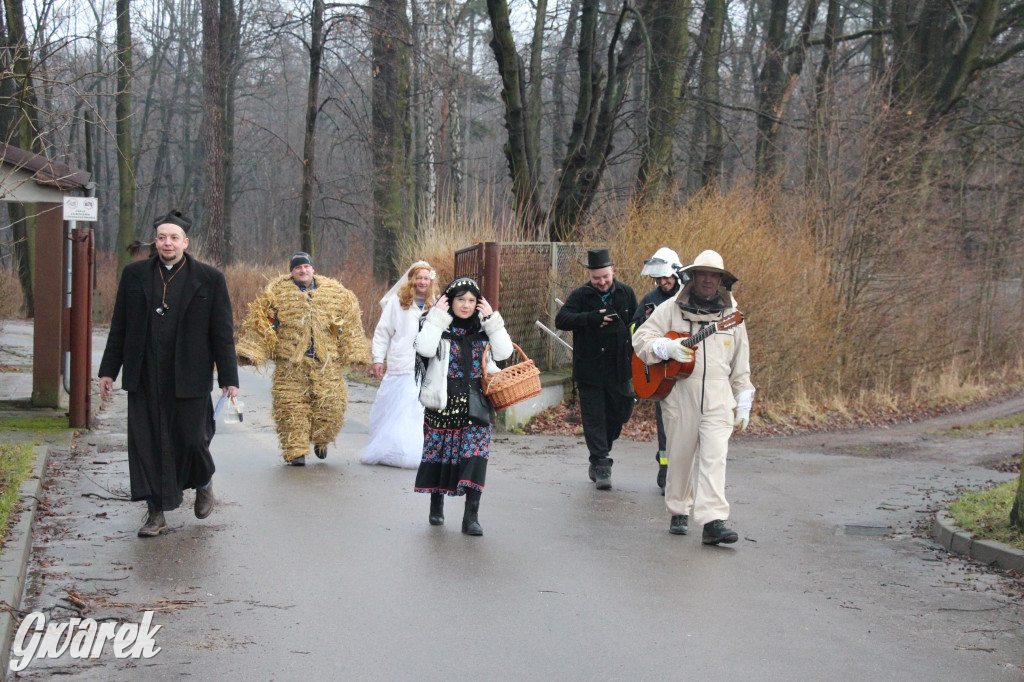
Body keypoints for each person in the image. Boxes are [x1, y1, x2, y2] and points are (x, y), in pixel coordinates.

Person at [98, 209, 239, 538]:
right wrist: (108, 371)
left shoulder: (209, 278)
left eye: (174, 238)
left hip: (190, 375)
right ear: (155, 241)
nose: (167, 243)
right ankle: (155, 513)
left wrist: (229, 379)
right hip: (145, 375)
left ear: (185, 242)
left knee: (193, 439)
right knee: (147, 445)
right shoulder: (134, 275)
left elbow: (222, 332)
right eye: (162, 237)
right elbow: (120, 326)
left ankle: (203, 481)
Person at [631, 249, 754, 545]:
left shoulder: (732, 317)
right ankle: (678, 510)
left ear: (721, 280)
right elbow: (640, 339)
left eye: (714, 276)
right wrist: (666, 348)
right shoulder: (671, 308)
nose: (708, 280)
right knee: (680, 457)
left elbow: (741, 365)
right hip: (679, 394)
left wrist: (744, 402)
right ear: (693, 277)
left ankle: (713, 521)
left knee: (714, 458)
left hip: (718, 397)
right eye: (703, 275)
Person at [236, 252, 371, 465]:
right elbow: (263, 325)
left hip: (326, 365)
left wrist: (355, 352)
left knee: (331, 408)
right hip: (290, 365)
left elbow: (350, 324)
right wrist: (253, 352)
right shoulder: (277, 293)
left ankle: (322, 439)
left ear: (313, 269)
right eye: (298, 267)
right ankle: (296, 451)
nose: (302, 270)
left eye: (306, 266)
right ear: (291, 271)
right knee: (291, 408)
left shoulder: (336, 294)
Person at [413, 277, 513, 536]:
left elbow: (504, 353)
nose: (466, 305)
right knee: (440, 456)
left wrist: (492, 321)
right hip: (442, 406)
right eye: (460, 300)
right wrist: (437, 317)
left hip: (476, 406)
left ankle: (471, 518)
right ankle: (437, 504)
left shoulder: (483, 328)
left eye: (471, 300)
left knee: (475, 459)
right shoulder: (435, 324)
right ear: (449, 301)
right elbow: (425, 349)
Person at [555, 248, 638, 490]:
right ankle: (601, 463)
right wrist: (590, 318)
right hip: (590, 370)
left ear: (613, 271)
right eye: (596, 278)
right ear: (589, 276)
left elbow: (638, 324)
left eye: (605, 277)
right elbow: (562, 319)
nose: (601, 282)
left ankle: (601, 451)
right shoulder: (581, 295)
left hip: (619, 369)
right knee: (594, 418)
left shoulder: (626, 294)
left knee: (620, 413)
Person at [360, 260, 439, 468]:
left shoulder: (435, 304)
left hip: (425, 365)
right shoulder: (397, 303)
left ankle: (415, 450)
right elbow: (383, 332)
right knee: (394, 407)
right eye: (419, 278)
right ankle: (391, 449)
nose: (423, 282)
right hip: (401, 363)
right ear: (412, 280)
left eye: (426, 278)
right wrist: (378, 358)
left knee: (417, 411)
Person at [631, 247, 686, 495]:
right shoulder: (650, 299)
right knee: (665, 422)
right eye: (659, 278)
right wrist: (645, 321)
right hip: (660, 372)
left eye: (667, 277)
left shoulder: (689, 297)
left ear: (676, 273)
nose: (663, 282)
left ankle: (681, 472)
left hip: (687, 368)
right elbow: (633, 333)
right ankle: (665, 469)